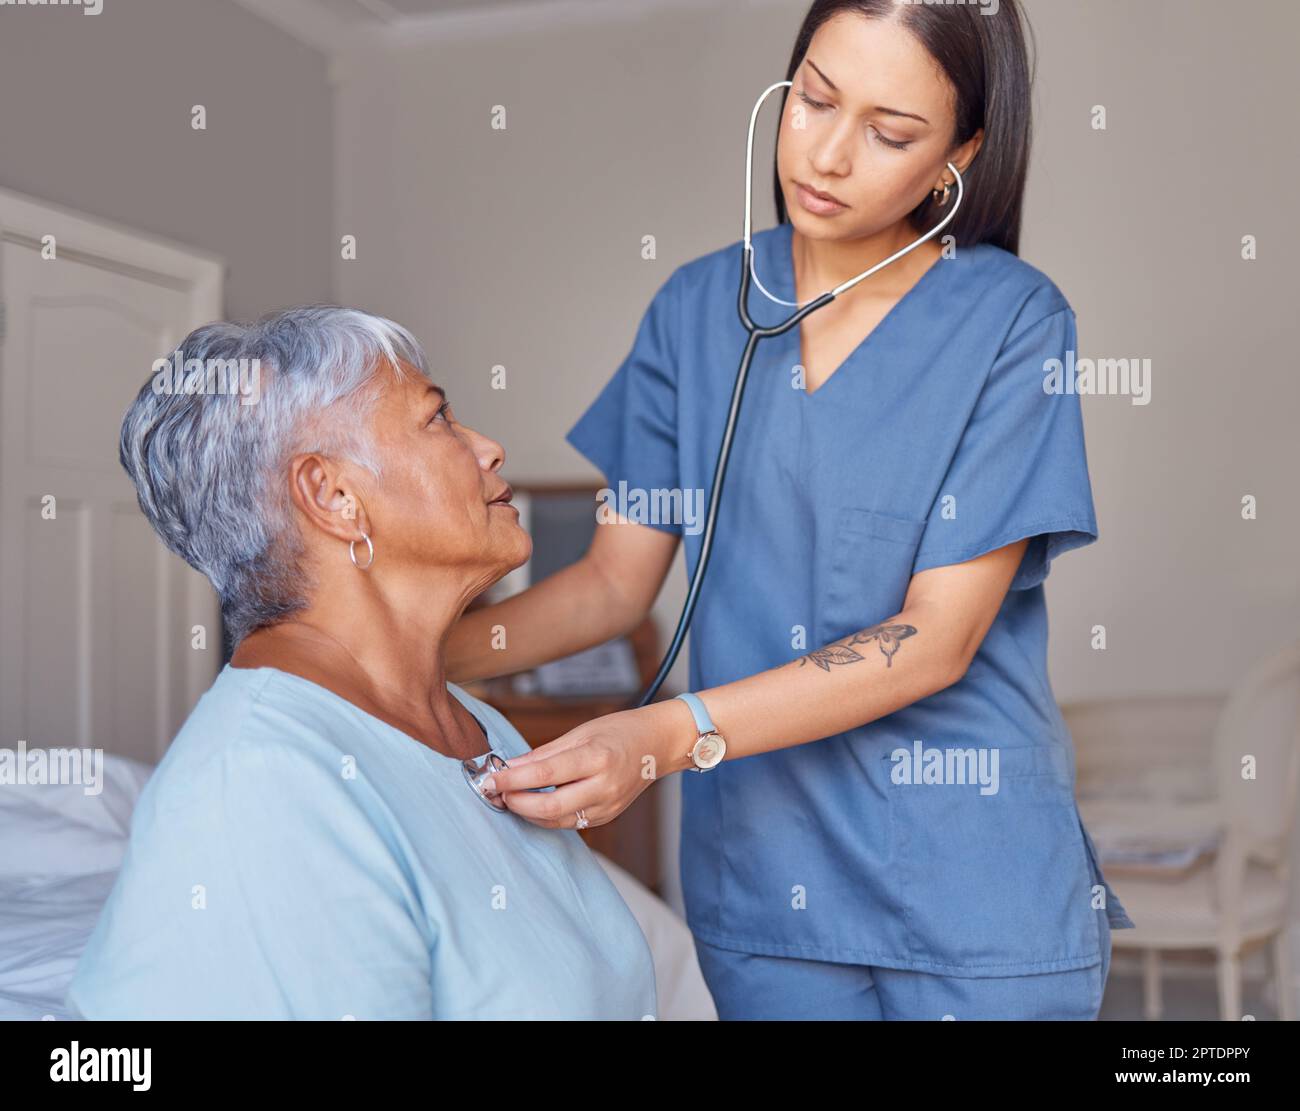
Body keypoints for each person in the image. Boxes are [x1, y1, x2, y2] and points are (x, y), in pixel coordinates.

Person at [447, 0, 1135, 1020]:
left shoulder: (1011, 321)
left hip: (970, 883)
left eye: (890, 132)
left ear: (958, 155)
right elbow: (609, 586)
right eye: (813, 99)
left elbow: (936, 638)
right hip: (765, 889)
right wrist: (412, 653)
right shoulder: (694, 310)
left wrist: (661, 737)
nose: (826, 153)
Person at [67, 306, 656, 1020]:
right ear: (334, 496)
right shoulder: (262, 786)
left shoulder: (472, 722)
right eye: (438, 419)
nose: (490, 448)